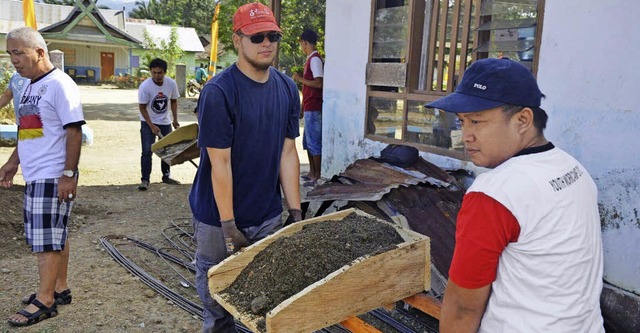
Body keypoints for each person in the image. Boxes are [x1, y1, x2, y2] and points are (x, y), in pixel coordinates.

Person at [426, 58, 604, 332]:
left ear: (523, 120)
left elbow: (463, 308)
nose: (466, 136)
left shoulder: (495, 193)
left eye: (477, 121)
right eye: (462, 122)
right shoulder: (573, 168)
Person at [188, 3, 303, 332]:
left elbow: (287, 152)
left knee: (265, 294)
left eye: (272, 36)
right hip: (216, 216)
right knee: (217, 289)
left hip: (266, 213)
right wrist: (228, 227)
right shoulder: (219, 92)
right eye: (257, 37)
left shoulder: (286, 89)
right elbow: (219, 163)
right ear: (237, 40)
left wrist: (294, 213)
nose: (266, 43)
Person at [1, 26, 84, 327]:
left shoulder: (60, 85)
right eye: (10, 53)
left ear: (39, 52)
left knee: (45, 239)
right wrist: (13, 162)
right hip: (36, 173)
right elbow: (31, 131)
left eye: (18, 53)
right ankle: (58, 288)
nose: (14, 60)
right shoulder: (31, 85)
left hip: (52, 173)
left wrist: (68, 174)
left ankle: (45, 300)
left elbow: (74, 130)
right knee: (55, 233)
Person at [137, 58, 180, 190]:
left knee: (167, 150)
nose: (157, 75)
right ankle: (145, 179)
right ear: (150, 72)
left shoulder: (171, 84)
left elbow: (173, 101)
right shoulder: (145, 86)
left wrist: (175, 119)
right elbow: (142, 107)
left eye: (160, 73)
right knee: (146, 151)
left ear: (165, 72)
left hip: (165, 122)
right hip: (148, 122)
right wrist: (151, 126)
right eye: (154, 72)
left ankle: (166, 176)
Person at [292, 28, 324, 187]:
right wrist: (302, 106)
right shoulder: (309, 59)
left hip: (315, 106)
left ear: (305, 43)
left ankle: (317, 175)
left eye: (302, 44)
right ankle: (312, 172)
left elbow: (319, 83)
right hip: (309, 106)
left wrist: (299, 79)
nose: (301, 47)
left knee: (314, 142)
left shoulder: (315, 60)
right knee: (308, 141)